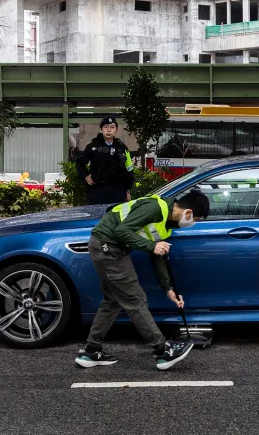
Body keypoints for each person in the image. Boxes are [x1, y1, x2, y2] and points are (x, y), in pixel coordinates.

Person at [75, 189, 211, 371]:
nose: (193, 223)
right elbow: (121, 231)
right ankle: (163, 351)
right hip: (108, 246)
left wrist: (168, 289)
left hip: (107, 247)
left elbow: (158, 256)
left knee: (113, 301)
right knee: (135, 300)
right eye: (195, 220)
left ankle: (91, 350)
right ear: (188, 213)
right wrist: (152, 245)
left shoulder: (167, 223)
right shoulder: (155, 208)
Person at [76, 116, 134, 205]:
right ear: (101, 129)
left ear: (116, 130)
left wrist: (128, 190)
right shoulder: (92, 146)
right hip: (98, 191)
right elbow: (80, 163)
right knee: (97, 217)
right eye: (106, 127)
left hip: (118, 190)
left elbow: (129, 169)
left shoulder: (122, 147)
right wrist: (86, 176)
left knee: (116, 217)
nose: (109, 130)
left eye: (112, 127)